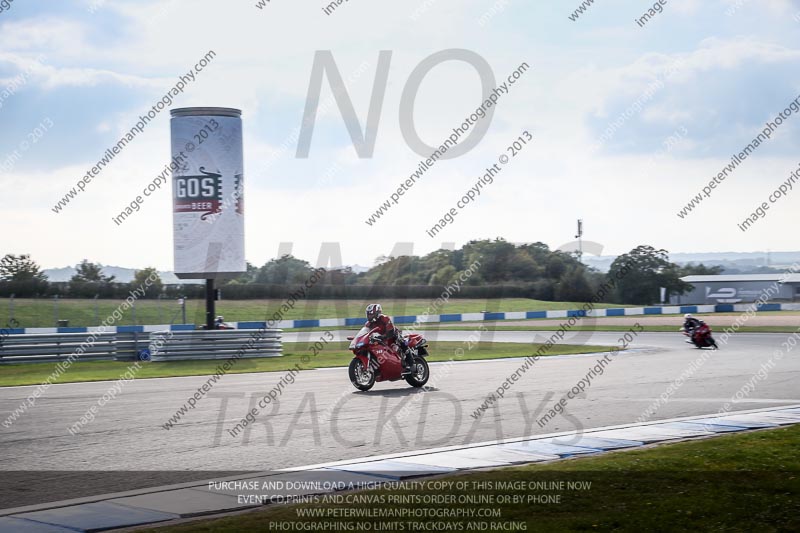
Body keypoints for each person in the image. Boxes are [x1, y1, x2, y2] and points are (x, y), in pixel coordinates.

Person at [365, 303, 413, 372]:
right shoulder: (368, 324)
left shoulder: (384, 318)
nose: (369, 316)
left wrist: (382, 337)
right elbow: (365, 333)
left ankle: (411, 364)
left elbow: (391, 332)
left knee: (402, 342)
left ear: (377, 313)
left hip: (393, 335)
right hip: (381, 339)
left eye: (371, 314)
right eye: (368, 314)